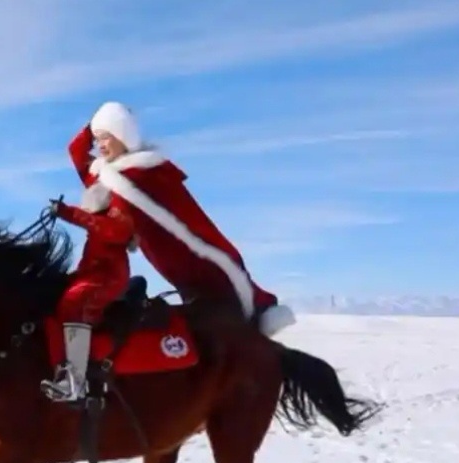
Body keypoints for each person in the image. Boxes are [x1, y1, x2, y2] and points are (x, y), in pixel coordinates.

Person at [65, 101, 296, 336]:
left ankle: (256, 316)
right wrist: (95, 123)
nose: (99, 145)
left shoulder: (144, 174)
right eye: (97, 139)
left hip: (182, 251)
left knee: (218, 293)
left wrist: (69, 213)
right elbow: (75, 151)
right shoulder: (108, 175)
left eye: (105, 137)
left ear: (123, 136)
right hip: (162, 255)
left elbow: (186, 220)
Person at [39, 186, 136, 404]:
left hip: (108, 278)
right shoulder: (102, 215)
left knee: (73, 302)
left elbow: (111, 231)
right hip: (92, 275)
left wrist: (68, 212)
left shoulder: (117, 218)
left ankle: (76, 382)